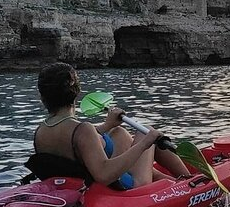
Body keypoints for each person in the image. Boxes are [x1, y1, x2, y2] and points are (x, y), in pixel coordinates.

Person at [32, 62, 190, 188]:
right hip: (128, 186)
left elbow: (75, 144)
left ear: (41, 97)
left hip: (78, 183)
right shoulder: (82, 129)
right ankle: (192, 184)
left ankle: (175, 181)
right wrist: (145, 143)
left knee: (118, 132)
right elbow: (104, 175)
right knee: (146, 132)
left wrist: (108, 125)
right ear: (76, 93)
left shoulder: (41, 131)